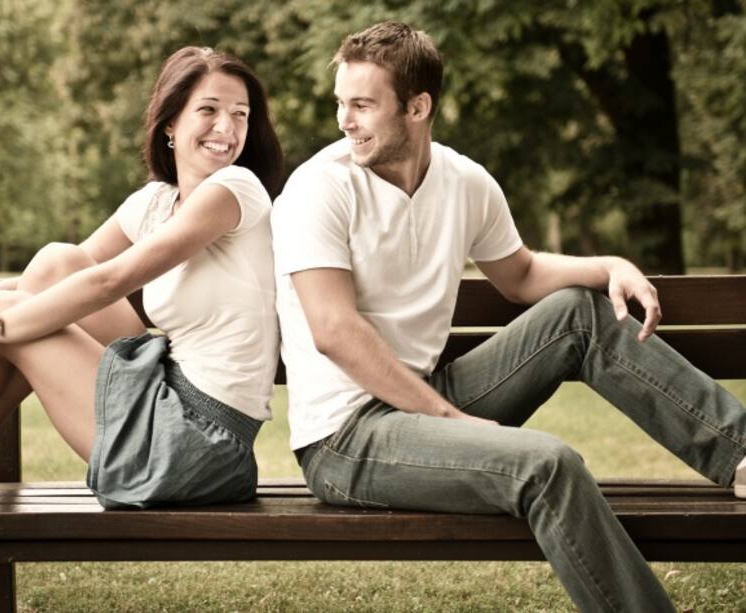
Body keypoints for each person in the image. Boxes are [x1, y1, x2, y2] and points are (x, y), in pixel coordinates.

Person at [271, 21, 746, 612]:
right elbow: (334, 332)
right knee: (547, 464)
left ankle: (740, 455)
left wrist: (609, 266)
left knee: (578, 313)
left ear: (418, 107)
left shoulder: (464, 181)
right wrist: (447, 417)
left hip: (428, 399)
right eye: (341, 103)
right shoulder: (318, 189)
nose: (345, 120)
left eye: (363, 105)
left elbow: (520, 276)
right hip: (346, 438)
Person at [0, 46, 284, 511]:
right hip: (166, 395)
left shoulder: (235, 189)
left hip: (197, 446)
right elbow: (58, 274)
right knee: (55, 261)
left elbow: (108, 282)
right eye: (208, 110)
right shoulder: (157, 202)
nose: (226, 129)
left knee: (14, 312)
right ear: (170, 122)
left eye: (240, 115)